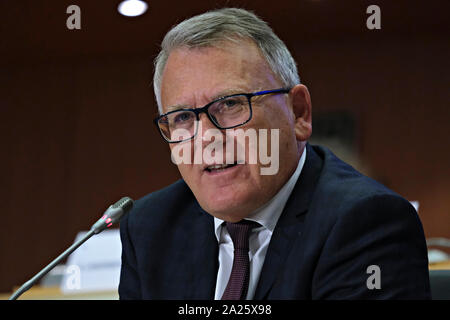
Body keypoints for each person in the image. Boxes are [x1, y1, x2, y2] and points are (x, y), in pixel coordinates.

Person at [119, 8, 431, 299]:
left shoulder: (367, 223)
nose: (207, 138)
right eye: (183, 117)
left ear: (298, 113)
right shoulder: (149, 228)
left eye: (230, 104)